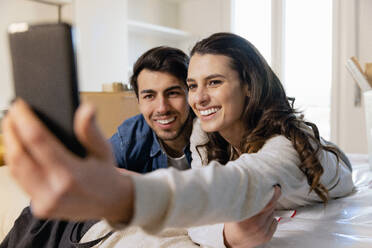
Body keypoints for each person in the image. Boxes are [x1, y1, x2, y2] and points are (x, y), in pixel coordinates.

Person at [3, 33, 353, 247]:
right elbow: (201, 223)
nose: (198, 98)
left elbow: (233, 184)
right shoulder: (203, 133)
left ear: (249, 85)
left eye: (214, 82)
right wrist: (229, 236)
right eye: (194, 85)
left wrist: (123, 193)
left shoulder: (284, 148)